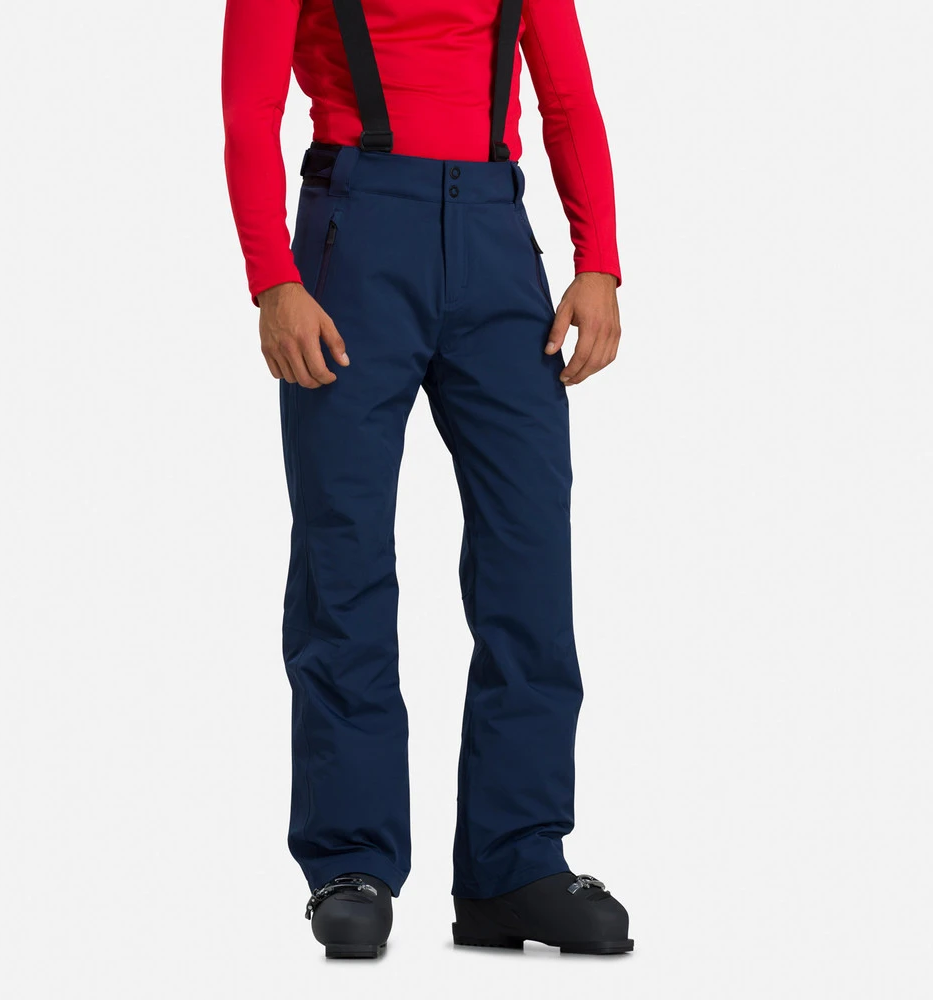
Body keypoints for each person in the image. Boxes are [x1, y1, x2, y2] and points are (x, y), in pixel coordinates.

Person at [222, 0, 632, 959]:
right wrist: (273, 278)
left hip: (497, 236)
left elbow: (567, 97)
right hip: (354, 239)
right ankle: (351, 860)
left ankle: (514, 864)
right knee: (345, 554)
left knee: (531, 554)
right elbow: (249, 107)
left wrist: (600, 261)